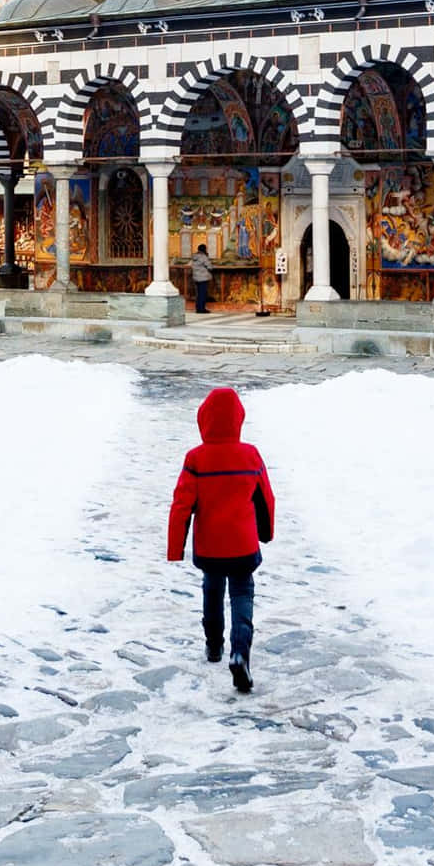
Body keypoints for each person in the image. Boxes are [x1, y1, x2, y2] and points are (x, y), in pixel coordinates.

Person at [167, 386, 275, 694]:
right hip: (243, 545)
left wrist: (176, 548)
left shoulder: (196, 458)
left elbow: (181, 506)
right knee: (242, 595)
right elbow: (266, 498)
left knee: (212, 591)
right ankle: (240, 651)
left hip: (210, 546)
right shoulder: (251, 454)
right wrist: (265, 533)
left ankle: (214, 646)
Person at [190, 244, 213, 314]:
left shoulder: (194, 257)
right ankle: (202, 309)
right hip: (203, 278)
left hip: (196, 277)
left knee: (199, 294)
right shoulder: (203, 257)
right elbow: (210, 267)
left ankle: (198, 308)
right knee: (203, 294)